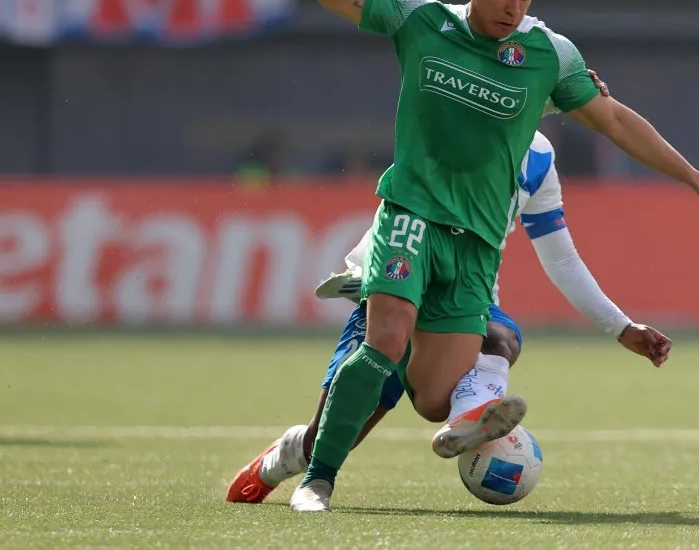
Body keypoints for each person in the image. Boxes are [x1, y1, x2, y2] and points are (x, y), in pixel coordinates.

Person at [294, 0, 699, 513]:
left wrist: (694, 178)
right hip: (410, 216)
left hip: (477, 246)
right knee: (385, 340)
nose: (514, 7)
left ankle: (326, 444)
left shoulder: (548, 55)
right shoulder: (422, 21)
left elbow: (614, 121)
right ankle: (319, 478)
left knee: (429, 398)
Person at [226, 129, 673, 504]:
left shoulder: (538, 159)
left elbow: (560, 259)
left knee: (502, 338)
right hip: (397, 283)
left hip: (464, 295)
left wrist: (620, 326)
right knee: (324, 441)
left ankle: (468, 418)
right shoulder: (454, 116)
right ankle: (290, 458)